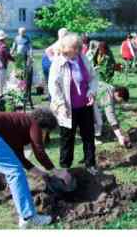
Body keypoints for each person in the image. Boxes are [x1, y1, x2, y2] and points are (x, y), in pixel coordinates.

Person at [0, 108, 68, 227]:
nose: (45, 136)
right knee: (15, 172)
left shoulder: (19, 124)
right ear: (44, 127)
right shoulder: (34, 124)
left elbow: (20, 158)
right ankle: (28, 217)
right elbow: (39, 152)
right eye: (46, 132)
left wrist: (43, 174)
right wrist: (56, 171)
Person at [48, 32, 99, 175]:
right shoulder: (58, 63)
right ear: (65, 48)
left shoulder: (83, 59)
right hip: (67, 108)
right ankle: (65, 168)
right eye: (74, 48)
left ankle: (90, 164)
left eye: (78, 47)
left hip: (85, 105)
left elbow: (93, 78)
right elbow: (54, 86)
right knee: (67, 139)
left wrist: (91, 92)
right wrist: (60, 104)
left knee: (88, 136)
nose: (77, 50)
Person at [41, 27, 68, 97]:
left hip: (54, 64)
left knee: (54, 83)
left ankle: (54, 97)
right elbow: (47, 50)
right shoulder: (61, 43)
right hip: (56, 66)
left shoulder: (60, 42)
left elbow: (47, 50)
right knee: (56, 83)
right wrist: (52, 59)